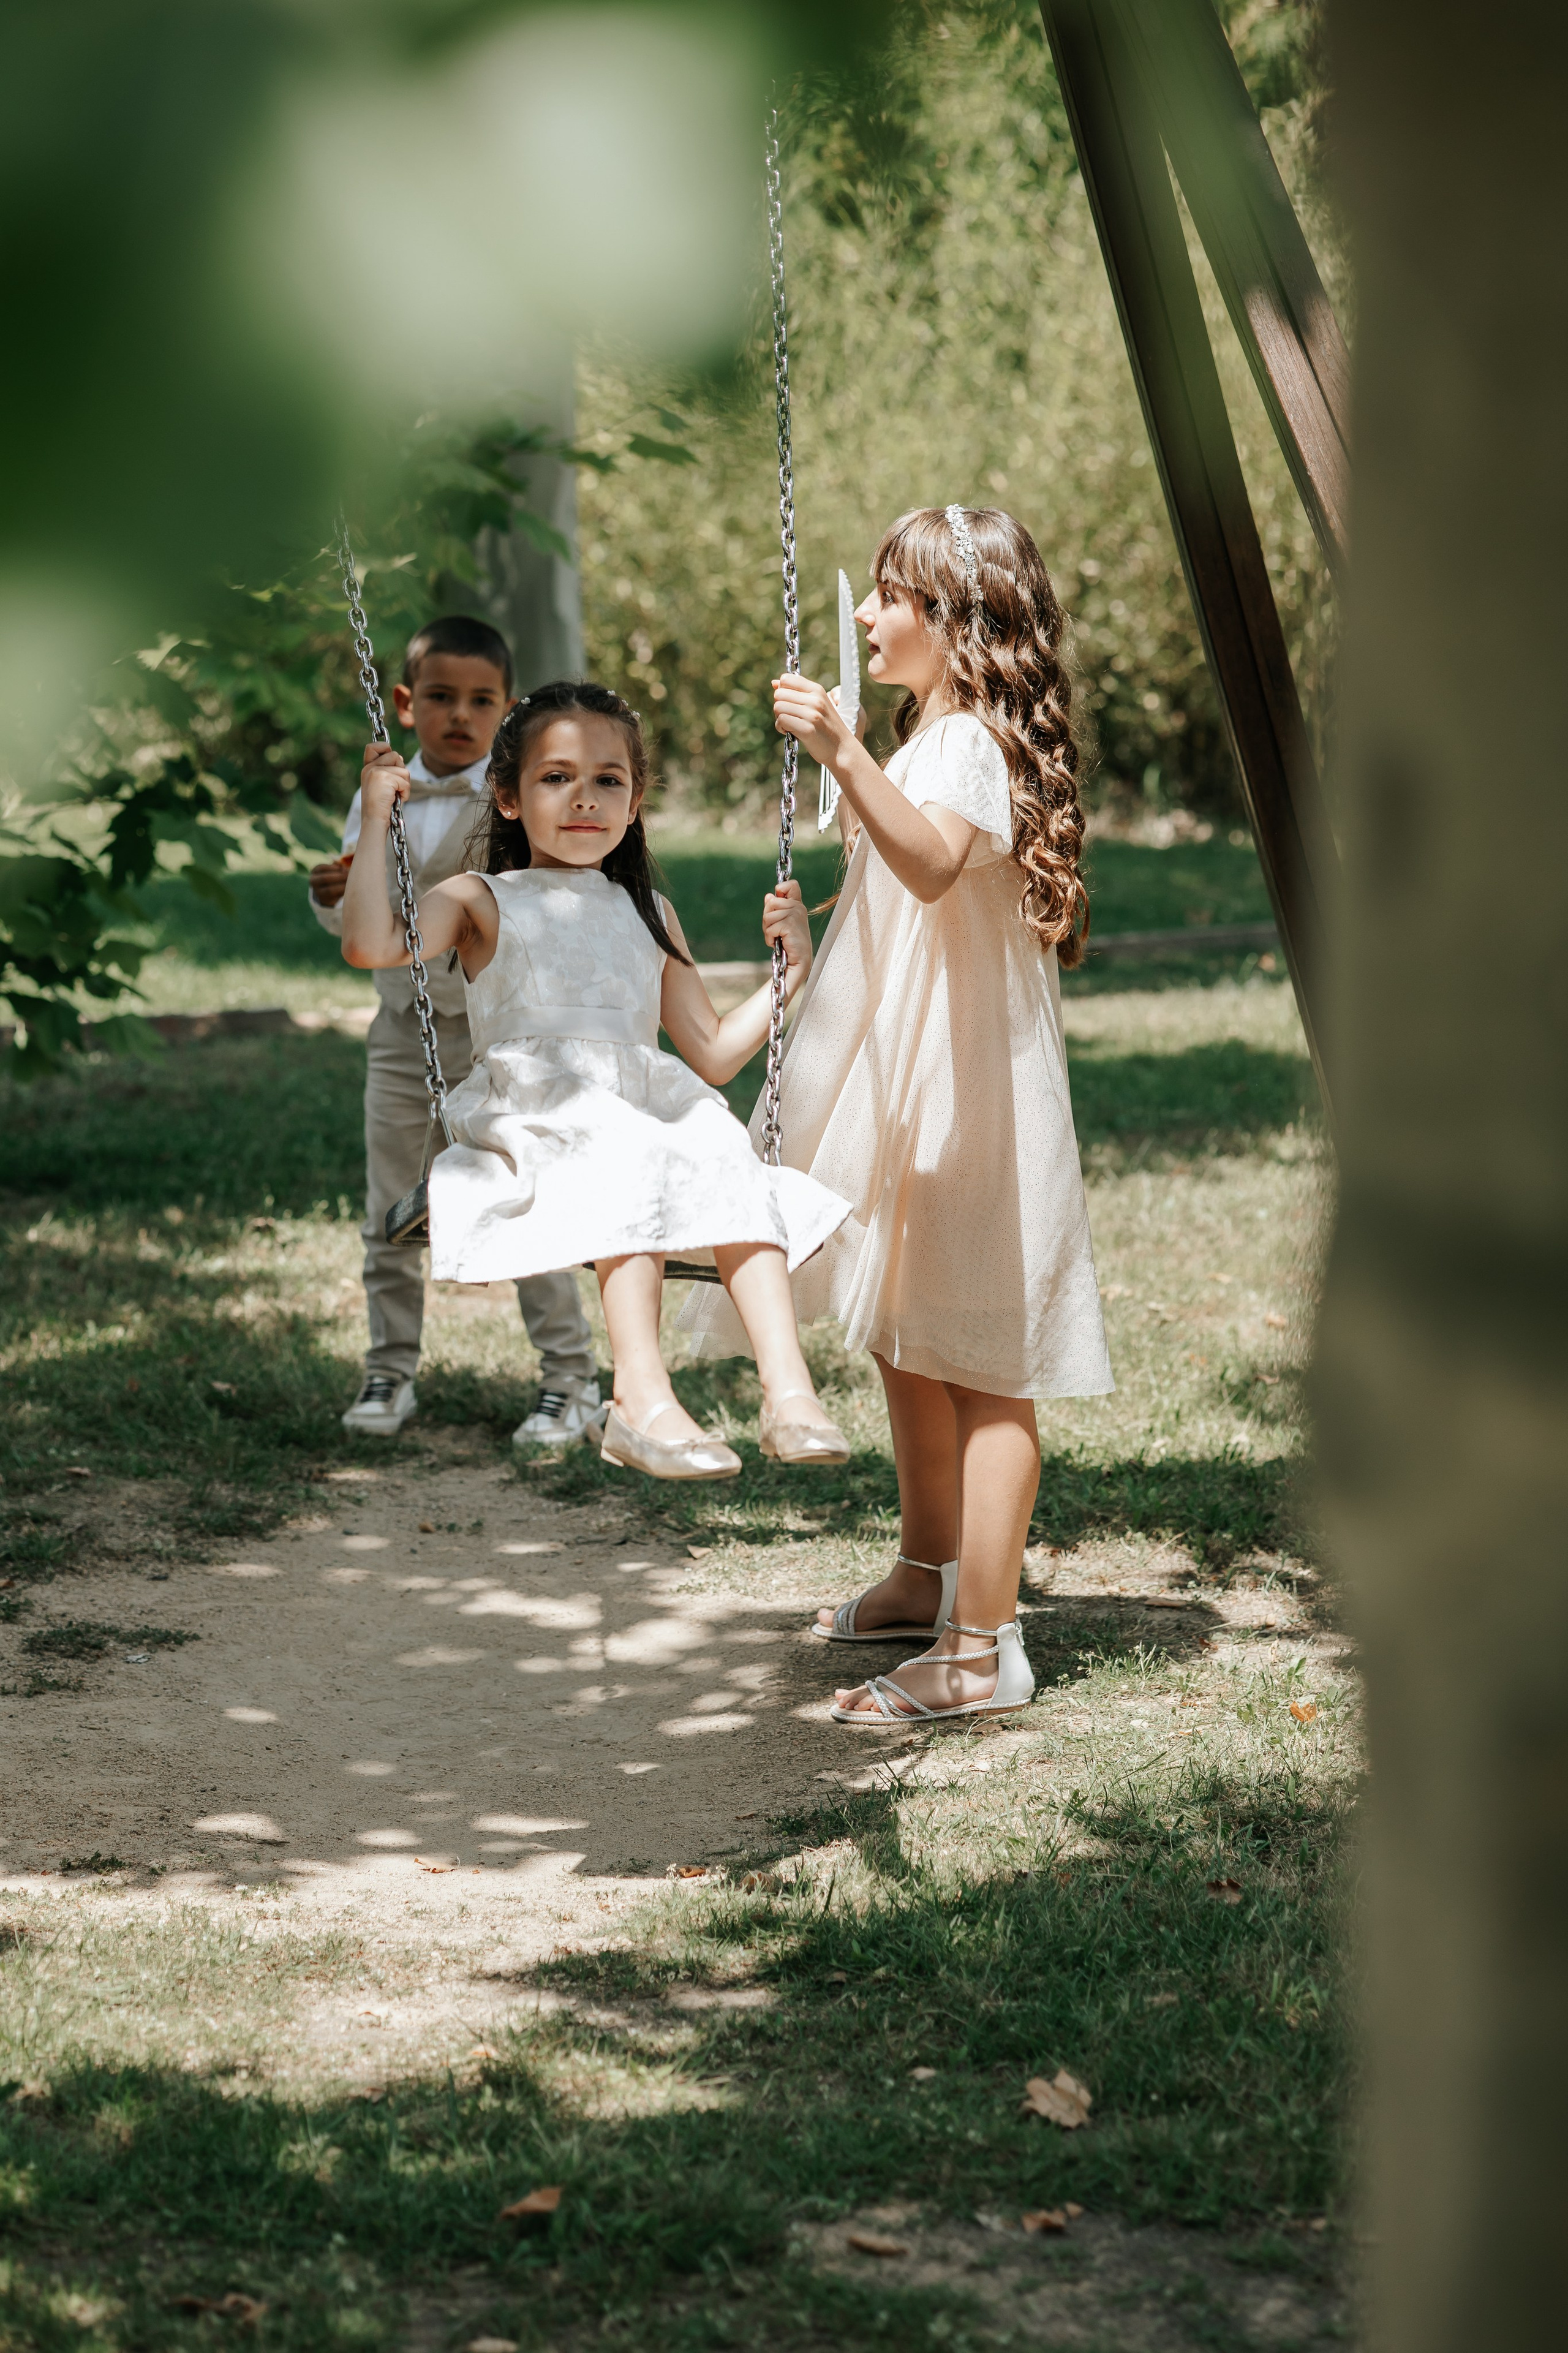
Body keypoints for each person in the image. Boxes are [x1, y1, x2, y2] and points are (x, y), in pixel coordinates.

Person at [684, 505, 1112, 1721]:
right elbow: (908, 896)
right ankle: (926, 1574)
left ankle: (982, 1649)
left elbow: (930, 864)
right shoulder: (932, 735)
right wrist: (812, 928)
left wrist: (841, 752)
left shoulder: (967, 740)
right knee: (907, 1333)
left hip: (964, 1088)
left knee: (983, 1365)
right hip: (910, 1074)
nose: (867, 616)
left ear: (954, 620)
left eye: (890, 597)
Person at [338, 678, 853, 1482]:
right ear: (508, 797)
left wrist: (790, 975)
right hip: (536, 1106)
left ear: (635, 800)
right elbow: (371, 944)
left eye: (608, 780)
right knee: (628, 1148)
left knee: (724, 1147)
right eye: (557, 777)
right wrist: (377, 818)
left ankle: (789, 1394)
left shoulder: (650, 911)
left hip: (643, 1104)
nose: (585, 798)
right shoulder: (478, 898)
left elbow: (713, 1052)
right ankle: (639, 1400)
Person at [309, 615, 601, 1446]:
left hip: (496, 1033)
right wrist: (334, 892)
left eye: (481, 700)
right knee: (391, 1203)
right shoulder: (380, 795)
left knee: (523, 1190)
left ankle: (569, 1377)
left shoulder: (516, 799)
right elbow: (358, 920)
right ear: (406, 704)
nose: (460, 715)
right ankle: (389, 1368)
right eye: (441, 697)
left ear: (507, 709)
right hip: (403, 1032)